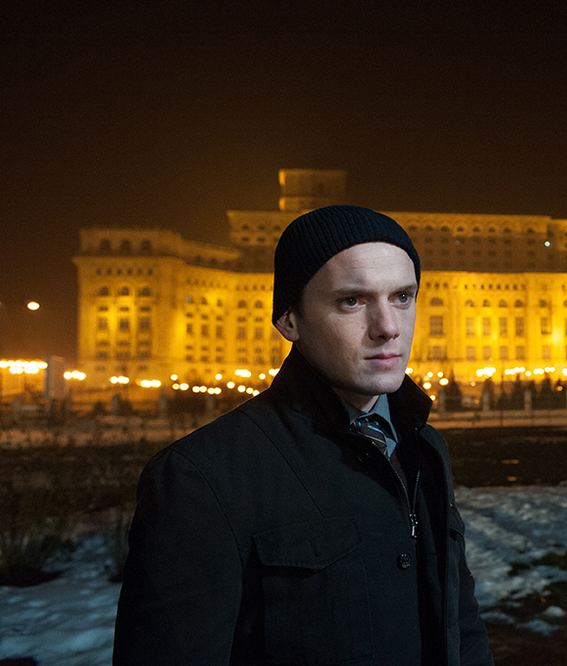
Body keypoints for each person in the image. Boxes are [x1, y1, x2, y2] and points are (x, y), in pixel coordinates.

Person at [114, 205, 494, 665]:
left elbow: (459, 624)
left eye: (402, 297)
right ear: (289, 319)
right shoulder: (203, 477)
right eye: (352, 301)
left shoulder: (425, 447)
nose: (388, 328)